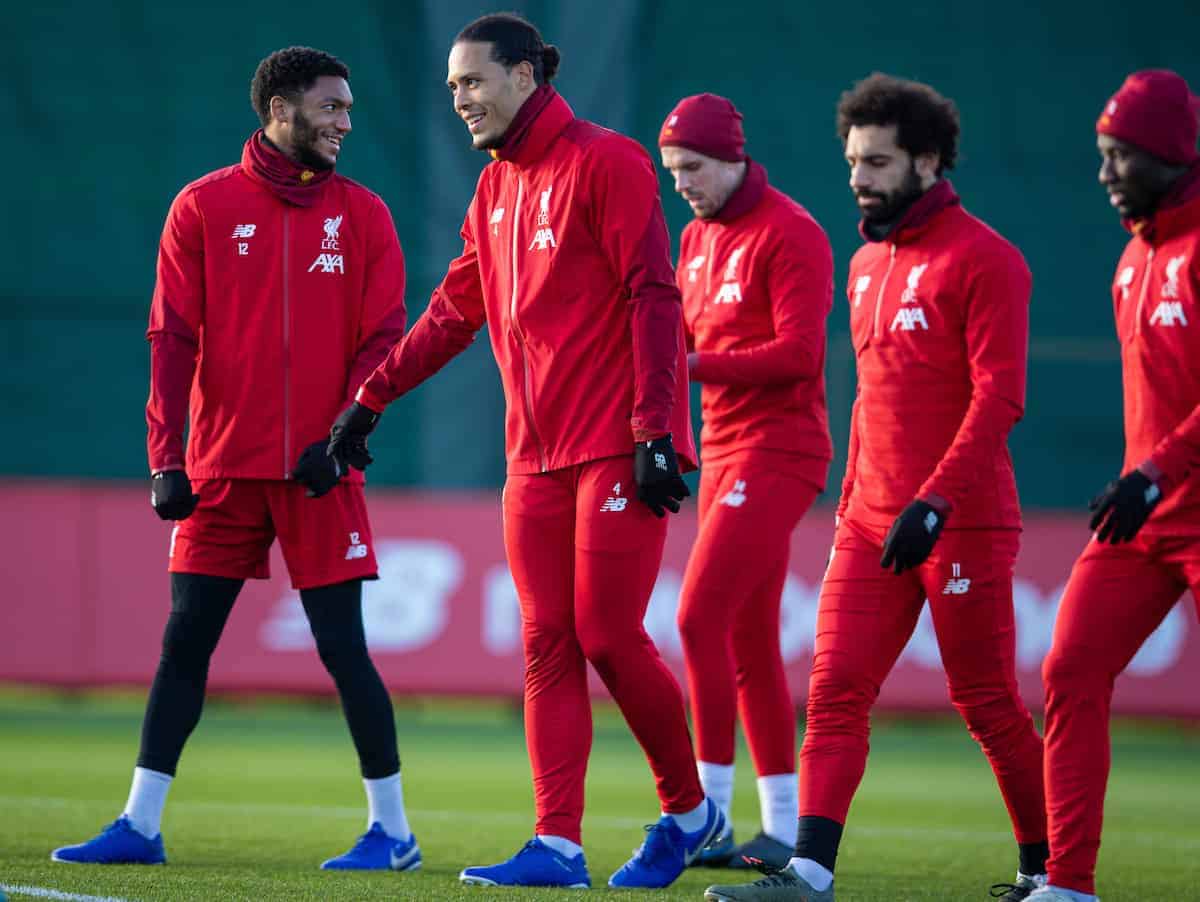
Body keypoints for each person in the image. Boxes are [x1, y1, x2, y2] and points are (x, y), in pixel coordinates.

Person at [326, 12, 724, 891]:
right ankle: (559, 845)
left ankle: (689, 811)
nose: (458, 100)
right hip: (531, 461)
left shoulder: (609, 162)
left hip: (618, 445)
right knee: (546, 642)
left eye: (471, 82)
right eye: (450, 88)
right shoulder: (494, 191)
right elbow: (451, 314)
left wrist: (657, 428)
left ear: (524, 76)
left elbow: (654, 296)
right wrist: (371, 397)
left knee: (609, 634)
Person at [50, 46, 419, 872]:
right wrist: (165, 457)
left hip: (319, 473)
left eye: (351, 109)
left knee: (342, 650)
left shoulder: (364, 215)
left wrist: (346, 437)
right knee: (184, 644)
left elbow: (384, 342)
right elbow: (171, 339)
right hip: (220, 472)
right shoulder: (203, 206)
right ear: (279, 109)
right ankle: (139, 826)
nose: (346, 123)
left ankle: (393, 833)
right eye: (331, 108)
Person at [704, 73, 1047, 902]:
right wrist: (855, 506)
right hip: (867, 524)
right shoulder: (863, 264)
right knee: (833, 691)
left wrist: (935, 500)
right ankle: (810, 871)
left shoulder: (988, 259)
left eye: (879, 162)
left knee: (987, 702)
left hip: (959, 522)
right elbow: (871, 403)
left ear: (927, 162)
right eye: (854, 160)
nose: (859, 176)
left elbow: (1000, 398)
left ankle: (1048, 871)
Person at [1032, 70, 1200, 902]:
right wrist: (1146, 474)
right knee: (1069, 669)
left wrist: (1158, 469)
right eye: (1101, 155)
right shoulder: (1134, 257)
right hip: (1147, 511)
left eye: (1121, 156)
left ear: (1170, 155)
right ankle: (1068, 885)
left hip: (1173, 496)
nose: (1104, 173)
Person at [657, 94, 833, 870]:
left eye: (692, 168)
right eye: (672, 172)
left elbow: (799, 355)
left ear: (733, 157)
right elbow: (670, 332)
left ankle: (711, 815)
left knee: (697, 616)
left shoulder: (791, 232)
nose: (681, 184)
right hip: (724, 453)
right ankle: (781, 827)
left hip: (782, 450)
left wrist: (684, 366)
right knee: (748, 636)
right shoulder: (694, 239)